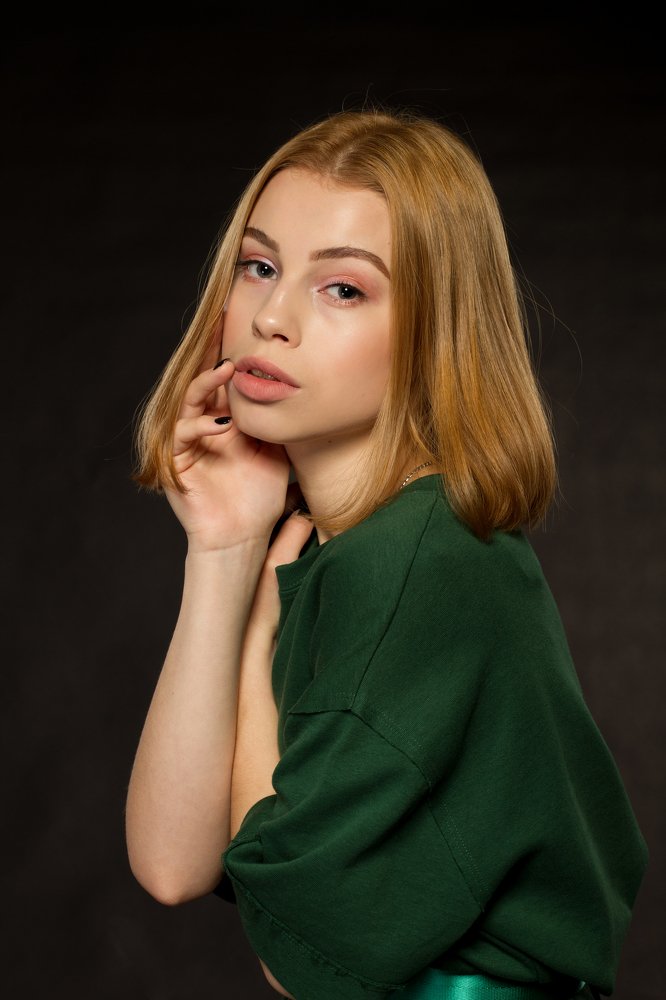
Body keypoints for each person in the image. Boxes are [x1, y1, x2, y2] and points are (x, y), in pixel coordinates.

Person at [124, 107, 648, 1000]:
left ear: (434, 330)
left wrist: (253, 644)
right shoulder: (358, 544)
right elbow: (171, 865)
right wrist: (224, 551)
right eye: (259, 267)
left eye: (344, 289)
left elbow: (297, 953)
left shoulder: (421, 564)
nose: (273, 318)